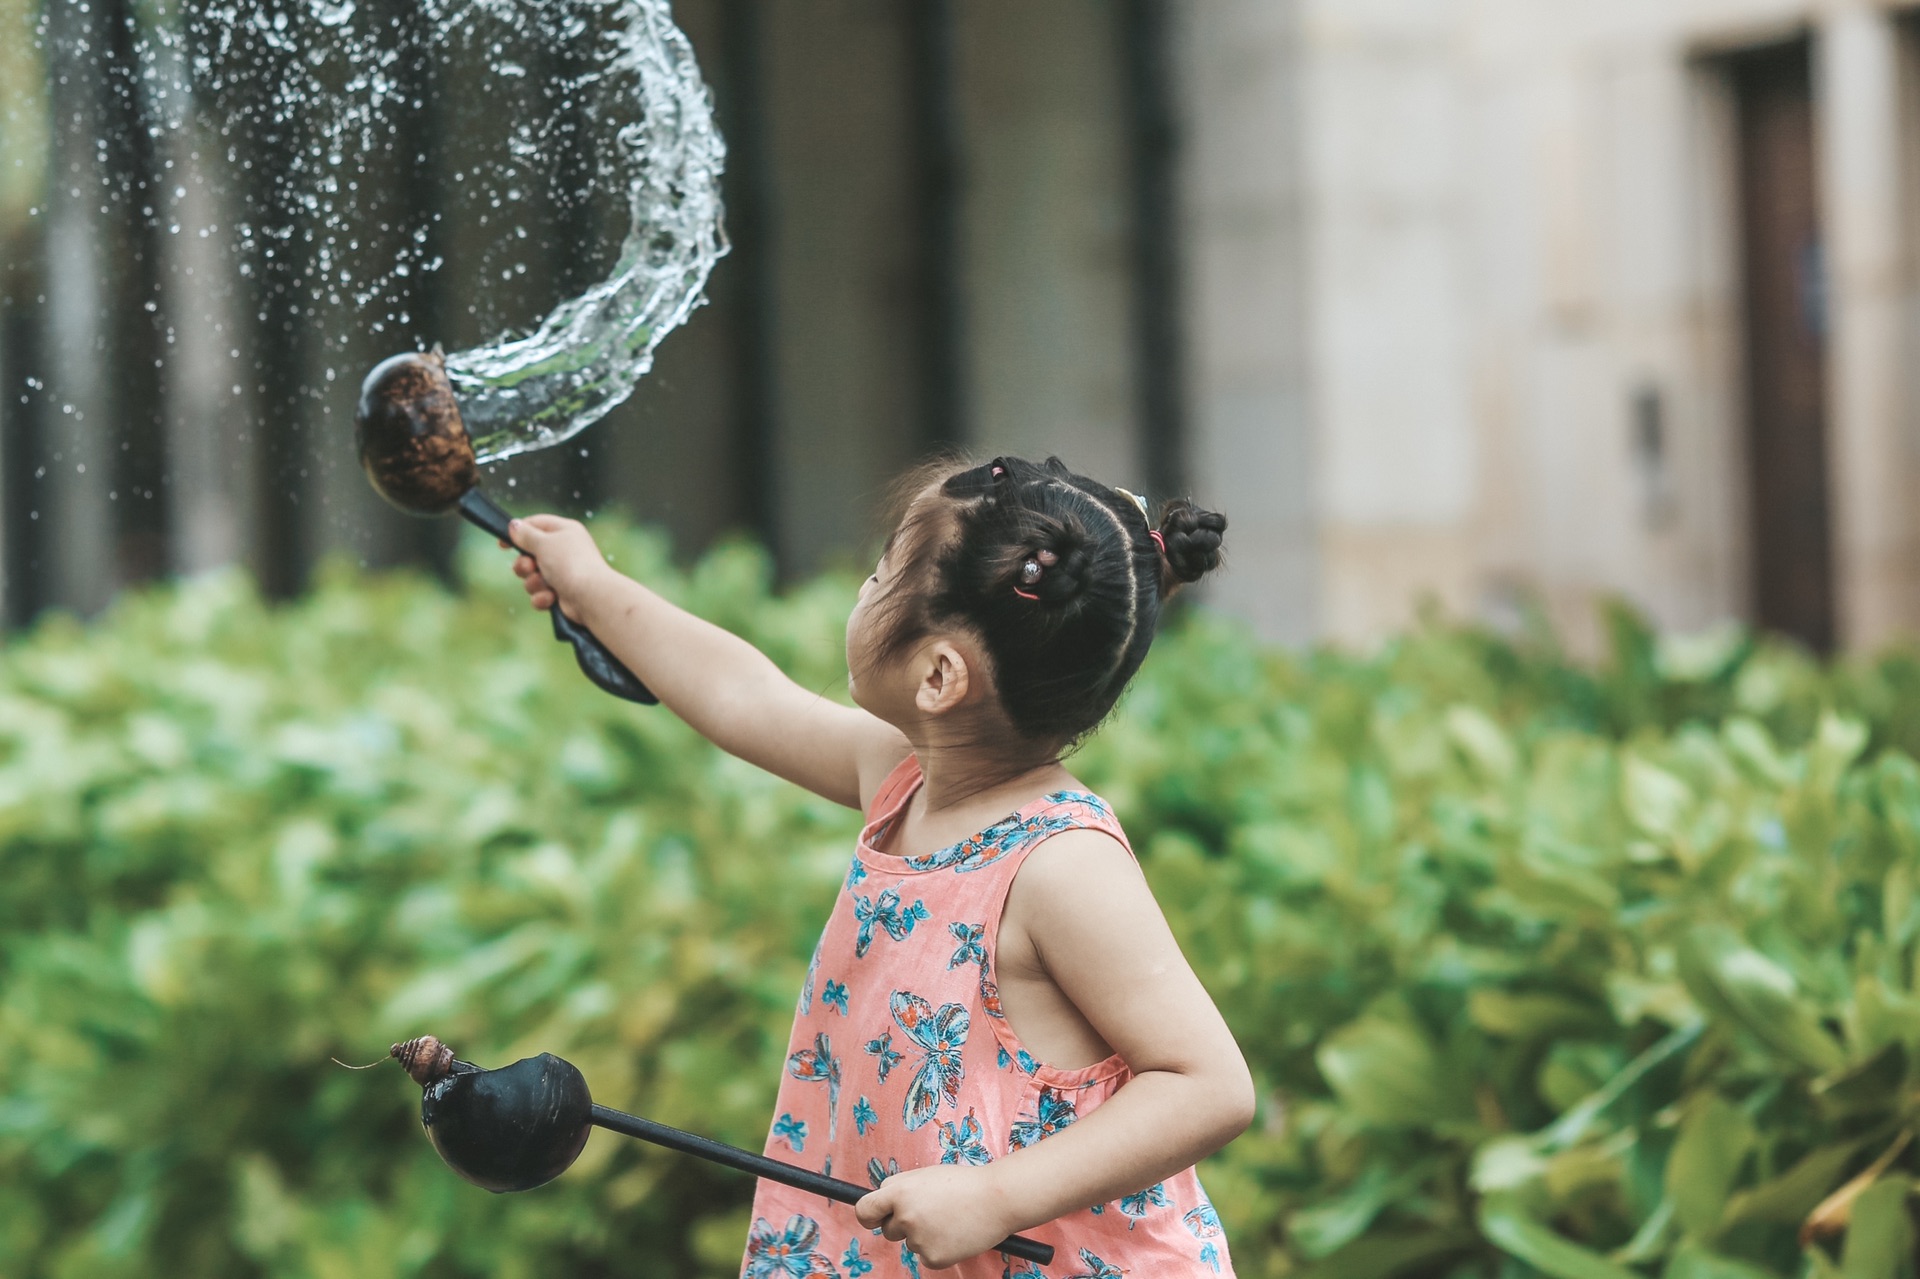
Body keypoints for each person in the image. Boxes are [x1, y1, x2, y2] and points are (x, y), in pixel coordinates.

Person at [506, 455, 1253, 1277]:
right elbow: (744, 696)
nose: (861, 591)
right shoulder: (903, 779)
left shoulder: (1058, 863)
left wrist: (1000, 1194)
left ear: (939, 675)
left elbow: (1207, 1083)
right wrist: (589, 587)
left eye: (878, 573)